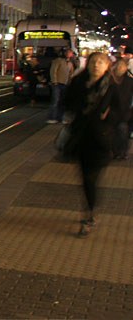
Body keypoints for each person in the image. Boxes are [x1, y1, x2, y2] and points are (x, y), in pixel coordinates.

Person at [64, 51, 115, 237]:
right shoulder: (78, 82)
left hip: (102, 139)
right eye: (93, 61)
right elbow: (66, 103)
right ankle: (90, 209)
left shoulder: (112, 86)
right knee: (86, 178)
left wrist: (109, 118)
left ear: (107, 65)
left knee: (91, 178)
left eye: (101, 62)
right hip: (81, 138)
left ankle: (89, 214)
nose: (96, 65)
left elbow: (123, 110)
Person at [108, 58, 133, 160]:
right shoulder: (111, 79)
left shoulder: (129, 80)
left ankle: (122, 152)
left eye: (122, 66)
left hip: (124, 111)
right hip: (112, 111)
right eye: (118, 66)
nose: (119, 68)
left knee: (122, 131)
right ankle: (117, 151)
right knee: (115, 132)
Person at [47, 49, 75, 124]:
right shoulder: (58, 60)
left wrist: (69, 82)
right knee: (55, 100)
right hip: (57, 83)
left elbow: (71, 73)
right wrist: (54, 81)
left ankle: (60, 118)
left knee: (62, 102)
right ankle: (52, 117)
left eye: (70, 53)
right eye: (68, 53)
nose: (69, 54)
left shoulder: (70, 63)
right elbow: (53, 70)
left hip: (65, 84)